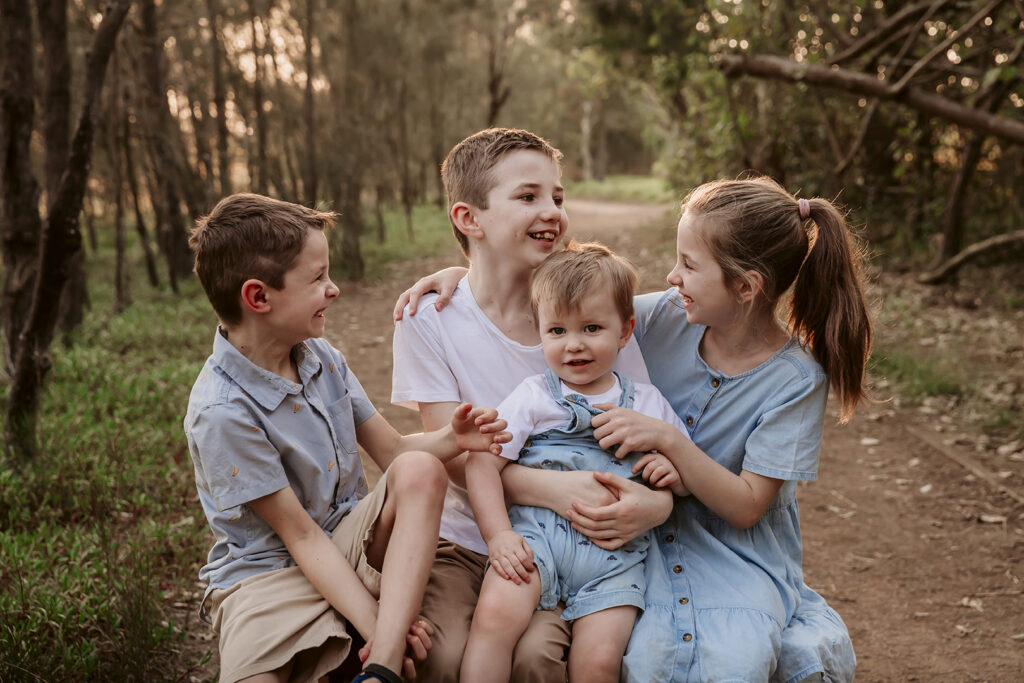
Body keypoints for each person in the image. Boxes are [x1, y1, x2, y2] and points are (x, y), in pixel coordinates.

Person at [395, 176, 867, 681]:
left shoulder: (793, 379)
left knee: (730, 661)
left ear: (746, 287)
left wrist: (667, 443)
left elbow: (748, 506)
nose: (672, 276)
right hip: (616, 535)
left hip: (726, 548)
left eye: (688, 265)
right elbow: (575, 295)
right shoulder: (668, 313)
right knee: (642, 661)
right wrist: (470, 282)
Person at [184, 193, 511, 683]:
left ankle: (380, 671)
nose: (333, 289)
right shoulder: (222, 411)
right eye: (317, 278)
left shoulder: (321, 358)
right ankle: (377, 640)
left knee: (419, 469)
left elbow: (396, 452)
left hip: (348, 540)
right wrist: (381, 625)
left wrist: (452, 438)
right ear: (258, 298)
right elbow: (298, 536)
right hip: (269, 576)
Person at [390, 128, 667, 682]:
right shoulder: (430, 318)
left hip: (573, 540)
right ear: (470, 219)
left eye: (557, 198)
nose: (552, 211)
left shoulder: (588, 309)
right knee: (440, 659)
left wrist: (659, 506)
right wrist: (557, 489)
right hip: (467, 535)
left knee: (539, 659)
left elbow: (637, 429)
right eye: (528, 196)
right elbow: (454, 454)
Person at [461, 243, 689, 683]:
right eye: (558, 331)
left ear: (625, 331)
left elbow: (682, 467)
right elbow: (482, 464)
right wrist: (499, 536)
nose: (575, 345)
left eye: (591, 328)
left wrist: (670, 475)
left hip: (614, 560)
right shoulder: (533, 396)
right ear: (540, 331)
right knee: (493, 622)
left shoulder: (645, 402)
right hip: (534, 544)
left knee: (598, 662)